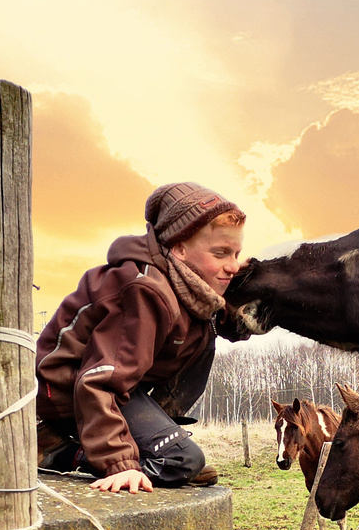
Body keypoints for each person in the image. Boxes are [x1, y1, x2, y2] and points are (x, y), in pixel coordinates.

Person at [35, 182, 249, 493]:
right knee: (181, 462)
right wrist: (120, 462)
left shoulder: (193, 287)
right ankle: (64, 452)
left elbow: (230, 321)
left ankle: (155, 441)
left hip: (120, 384)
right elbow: (98, 380)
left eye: (236, 253)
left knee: (207, 330)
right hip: (71, 389)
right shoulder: (145, 291)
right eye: (220, 253)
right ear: (178, 248)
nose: (232, 266)